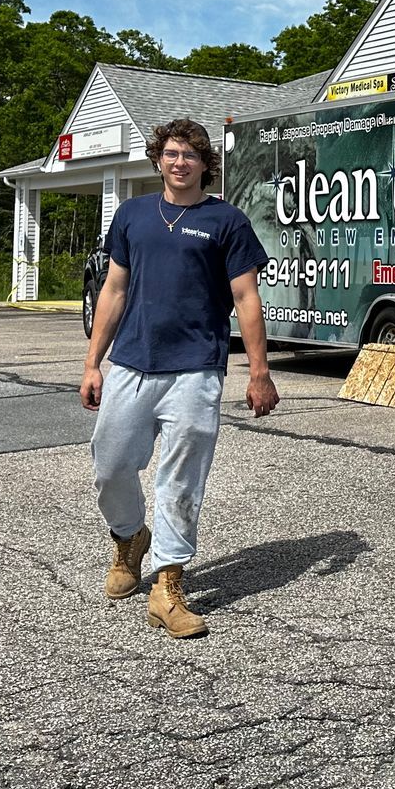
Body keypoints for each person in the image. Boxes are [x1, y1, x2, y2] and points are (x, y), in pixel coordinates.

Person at [80, 118, 279, 637]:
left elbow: (245, 298)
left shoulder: (226, 221)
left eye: (190, 155)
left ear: (204, 164)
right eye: (171, 153)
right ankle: (129, 537)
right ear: (159, 158)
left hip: (197, 368)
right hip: (130, 364)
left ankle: (168, 584)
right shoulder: (133, 215)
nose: (179, 162)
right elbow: (114, 291)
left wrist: (259, 371)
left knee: (180, 481)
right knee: (110, 465)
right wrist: (91, 362)